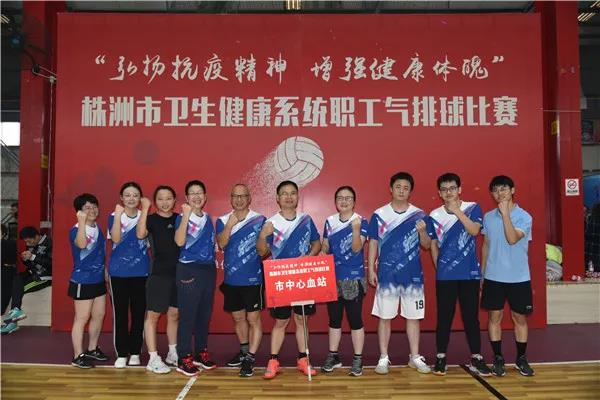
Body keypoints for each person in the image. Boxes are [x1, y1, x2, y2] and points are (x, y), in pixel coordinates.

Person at [426, 173, 492, 376]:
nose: (448, 192)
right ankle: (441, 356)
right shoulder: (434, 215)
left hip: (469, 273)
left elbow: (474, 231)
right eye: (444, 189)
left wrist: (457, 211)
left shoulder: (473, 208)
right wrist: (439, 267)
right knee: (444, 317)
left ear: (459, 189)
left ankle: (476, 357)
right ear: (439, 193)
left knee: (471, 317)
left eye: (452, 188)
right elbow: (433, 245)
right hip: (445, 276)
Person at [256, 180, 321, 379]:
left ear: (297, 197)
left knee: (302, 320)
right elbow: (262, 252)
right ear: (277, 198)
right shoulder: (271, 222)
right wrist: (263, 235)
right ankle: (273, 360)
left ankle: (303, 359)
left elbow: (316, 243)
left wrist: (310, 256)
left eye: (292, 193)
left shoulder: (306, 220)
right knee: (281, 321)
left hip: (302, 277)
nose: (289, 197)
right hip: (280, 278)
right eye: (284, 193)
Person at [368, 172, 431, 375]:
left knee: (413, 317)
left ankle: (415, 356)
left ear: (410, 191)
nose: (401, 191)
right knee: (384, 317)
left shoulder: (419, 215)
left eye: (405, 188)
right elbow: (373, 243)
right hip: (387, 274)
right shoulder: (379, 214)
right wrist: (371, 268)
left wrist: (422, 232)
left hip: (412, 275)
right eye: (398, 187)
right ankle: (383, 357)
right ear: (391, 189)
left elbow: (427, 245)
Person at [481, 175, 535, 377]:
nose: (499, 193)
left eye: (503, 189)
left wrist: (505, 215)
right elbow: (486, 245)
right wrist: (483, 273)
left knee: (519, 318)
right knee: (494, 318)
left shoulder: (524, 217)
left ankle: (521, 358)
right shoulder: (488, 217)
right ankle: (498, 358)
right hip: (493, 276)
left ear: (512, 190)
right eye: (495, 190)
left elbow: (512, 239)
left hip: (518, 277)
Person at [216, 184, 266, 377]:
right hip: (232, 279)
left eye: (243, 196)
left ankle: (250, 359)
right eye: (235, 196)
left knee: (253, 319)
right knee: (238, 318)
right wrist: (230, 224)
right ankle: (244, 351)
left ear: (249, 198)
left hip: (253, 279)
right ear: (231, 198)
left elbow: (264, 251)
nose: (239, 199)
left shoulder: (260, 220)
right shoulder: (222, 220)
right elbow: (222, 244)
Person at [320, 186, 369, 377]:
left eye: (348, 198)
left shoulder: (361, 221)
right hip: (333, 277)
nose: (344, 201)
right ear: (335, 201)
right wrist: (323, 251)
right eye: (340, 198)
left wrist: (355, 230)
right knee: (334, 319)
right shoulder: (330, 221)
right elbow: (326, 244)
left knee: (355, 319)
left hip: (353, 278)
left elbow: (357, 248)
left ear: (354, 202)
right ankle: (333, 356)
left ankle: (358, 359)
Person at [174, 180, 217, 377]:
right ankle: (183, 357)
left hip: (208, 270)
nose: (197, 196)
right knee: (188, 315)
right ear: (186, 198)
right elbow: (179, 241)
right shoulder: (183, 217)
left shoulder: (208, 218)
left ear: (205, 197)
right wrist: (185, 216)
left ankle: (201, 353)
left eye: (200, 193)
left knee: (204, 315)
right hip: (188, 270)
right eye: (192, 193)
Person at [137, 185, 180, 374]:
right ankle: (153, 358)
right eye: (160, 199)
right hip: (158, 274)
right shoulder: (151, 219)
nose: (165, 202)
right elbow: (140, 234)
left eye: (168, 198)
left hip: (178, 273)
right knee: (153, 316)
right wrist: (145, 208)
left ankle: (172, 353)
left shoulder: (179, 218)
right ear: (155, 202)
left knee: (174, 314)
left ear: (174, 200)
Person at [108, 182, 150, 368]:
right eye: (127, 195)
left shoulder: (145, 216)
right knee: (120, 315)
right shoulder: (113, 216)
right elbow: (116, 238)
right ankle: (121, 353)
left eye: (135, 195)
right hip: (118, 274)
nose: (131, 198)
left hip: (141, 272)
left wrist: (145, 210)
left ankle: (135, 352)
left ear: (140, 198)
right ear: (121, 198)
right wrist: (118, 216)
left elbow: (142, 235)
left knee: (139, 314)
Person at [68, 193, 109, 368]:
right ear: (79, 212)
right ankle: (77, 355)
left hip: (98, 279)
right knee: (82, 317)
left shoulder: (98, 228)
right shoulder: (76, 229)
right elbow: (82, 244)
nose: (92, 210)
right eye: (87, 208)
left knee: (99, 315)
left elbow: (100, 254)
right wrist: (81, 221)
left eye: (94, 206)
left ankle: (92, 349)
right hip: (82, 280)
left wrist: (105, 271)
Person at [1, 226, 52, 335]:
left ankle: (12, 322)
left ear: (37, 236)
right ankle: (15, 313)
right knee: (15, 279)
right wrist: (25, 259)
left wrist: (33, 257)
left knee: (18, 289)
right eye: (26, 242)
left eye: (29, 241)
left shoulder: (50, 243)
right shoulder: (30, 244)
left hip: (44, 277)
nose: (28, 243)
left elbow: (52, 263)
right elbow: (31, 264)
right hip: (32, 273)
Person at [1, 224, 17, 316]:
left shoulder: (9, 244)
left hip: (6, 272)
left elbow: (11, 260)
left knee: (5, 292)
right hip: (5, 268)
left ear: (3, 234)